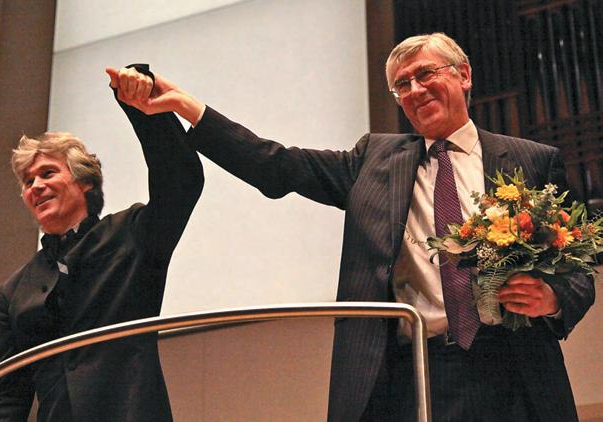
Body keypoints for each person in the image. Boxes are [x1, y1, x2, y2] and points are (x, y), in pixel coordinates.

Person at [112, 33, 594, 421]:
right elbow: (275, 166)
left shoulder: (532, 159)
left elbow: (577, 268)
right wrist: (186, 107)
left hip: (512, 368)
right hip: (411, 375)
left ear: (463, 75)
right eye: (402, 85)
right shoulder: (375, 161)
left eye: (426, 74)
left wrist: (552, 298)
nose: (415, 91)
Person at [0, 65, 203, 422]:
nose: (35, 186)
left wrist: (141, 105)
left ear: (84, 181)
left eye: (48, 173)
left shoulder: (132, 235)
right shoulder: (14, 291)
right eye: (27, 181)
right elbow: (6, 395)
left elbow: (182, 180)